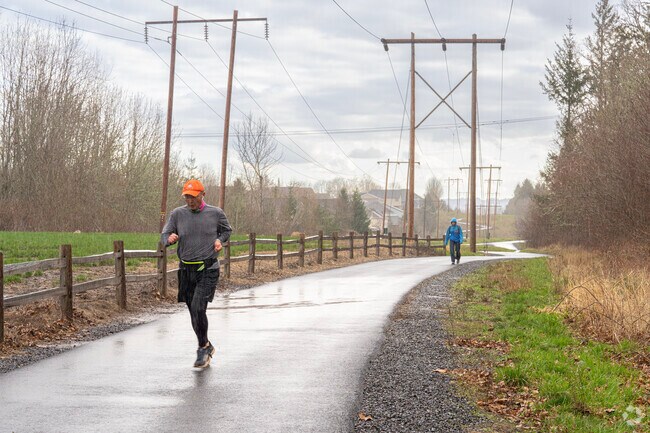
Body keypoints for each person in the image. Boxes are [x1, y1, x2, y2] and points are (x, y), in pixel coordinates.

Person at [161, 179, 232, 368]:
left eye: (193, 197)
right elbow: (164, 235)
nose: (189, 201)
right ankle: (206, 345)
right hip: (186, 269)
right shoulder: (177, 214)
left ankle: (202, 348)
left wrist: (219, 240)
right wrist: (169, 238)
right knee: (193, 311)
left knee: (199, 306)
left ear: (203, 195)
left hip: (207, 269)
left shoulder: (215, 213)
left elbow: (227, 231)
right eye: (186, 197)